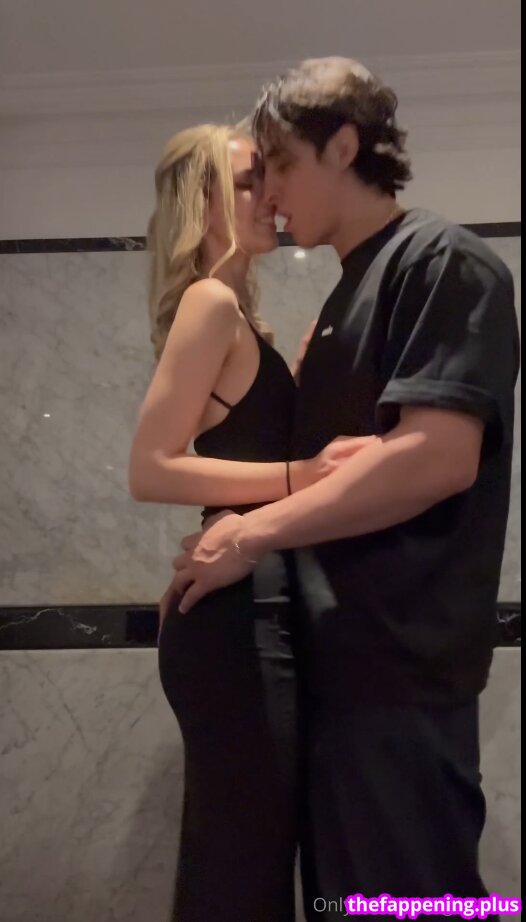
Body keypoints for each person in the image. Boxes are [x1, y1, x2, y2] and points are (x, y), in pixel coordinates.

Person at [170, 59, 520, 919]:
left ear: (345, 147)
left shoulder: (442, 262)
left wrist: (249, 533)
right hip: (340, 675)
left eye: (282, 165)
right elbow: (350, 462)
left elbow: (437, 459)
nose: (269, 193)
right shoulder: (343, 298)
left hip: (401, 676)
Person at [128, 123, 372, 922]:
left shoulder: (236, 316)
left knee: (249, 864)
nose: (269, 195)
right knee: (240, 872)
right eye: (246, 181)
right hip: (235, 621)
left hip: (250, 605)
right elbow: (150, 468)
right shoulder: (210, 302)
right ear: (200, 203)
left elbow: (249, 448)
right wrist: (303, 472)